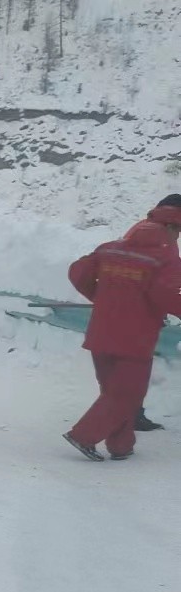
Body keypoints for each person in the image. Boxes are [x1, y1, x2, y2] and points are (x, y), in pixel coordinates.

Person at [63, 196, 181, 461]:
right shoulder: (166, 258)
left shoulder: (110, 249)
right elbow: (166, 294)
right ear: (173, 227)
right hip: (135, 338)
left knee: (113, 393)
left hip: (101, 332)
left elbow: (78, 272)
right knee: (127, 395)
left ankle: (121, 446)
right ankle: (83, 436)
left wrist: (101, 297)